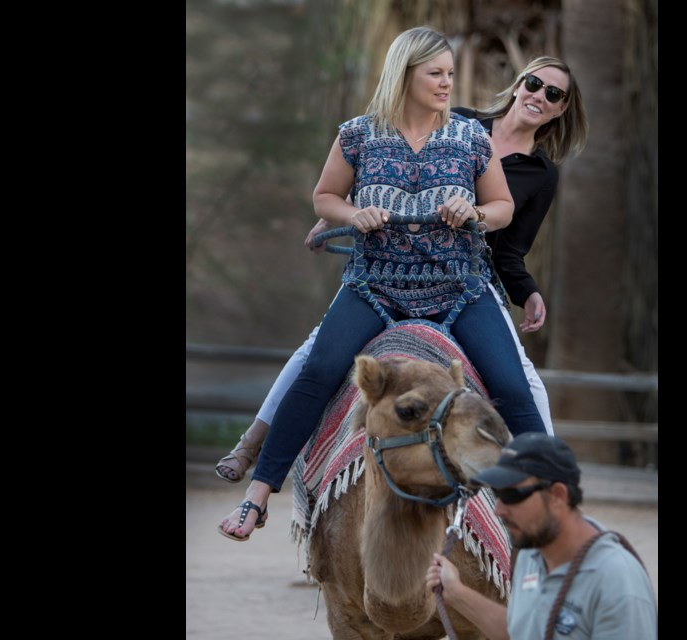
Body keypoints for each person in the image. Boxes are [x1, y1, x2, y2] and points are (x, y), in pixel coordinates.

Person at [218, 26, 547, 541]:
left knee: (510, 385)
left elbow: (503, 208)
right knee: (321, 367)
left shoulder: (469, 138)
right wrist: (354, 211)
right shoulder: (358, 133)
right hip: (375, 284)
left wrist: (475, 210)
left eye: (450, 75)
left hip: (460, 286)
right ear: (405, 74)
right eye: (435, 74)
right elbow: (324, 197)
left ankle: (547, 504)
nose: (446, 84)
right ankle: (257, 496)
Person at [426, 433, 657, 639]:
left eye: (512, 494)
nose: (498, 509)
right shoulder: (532, 553)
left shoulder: (617, 582)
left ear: (557, 495)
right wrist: (456, 593)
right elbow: (519, 632)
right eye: (497, 494)